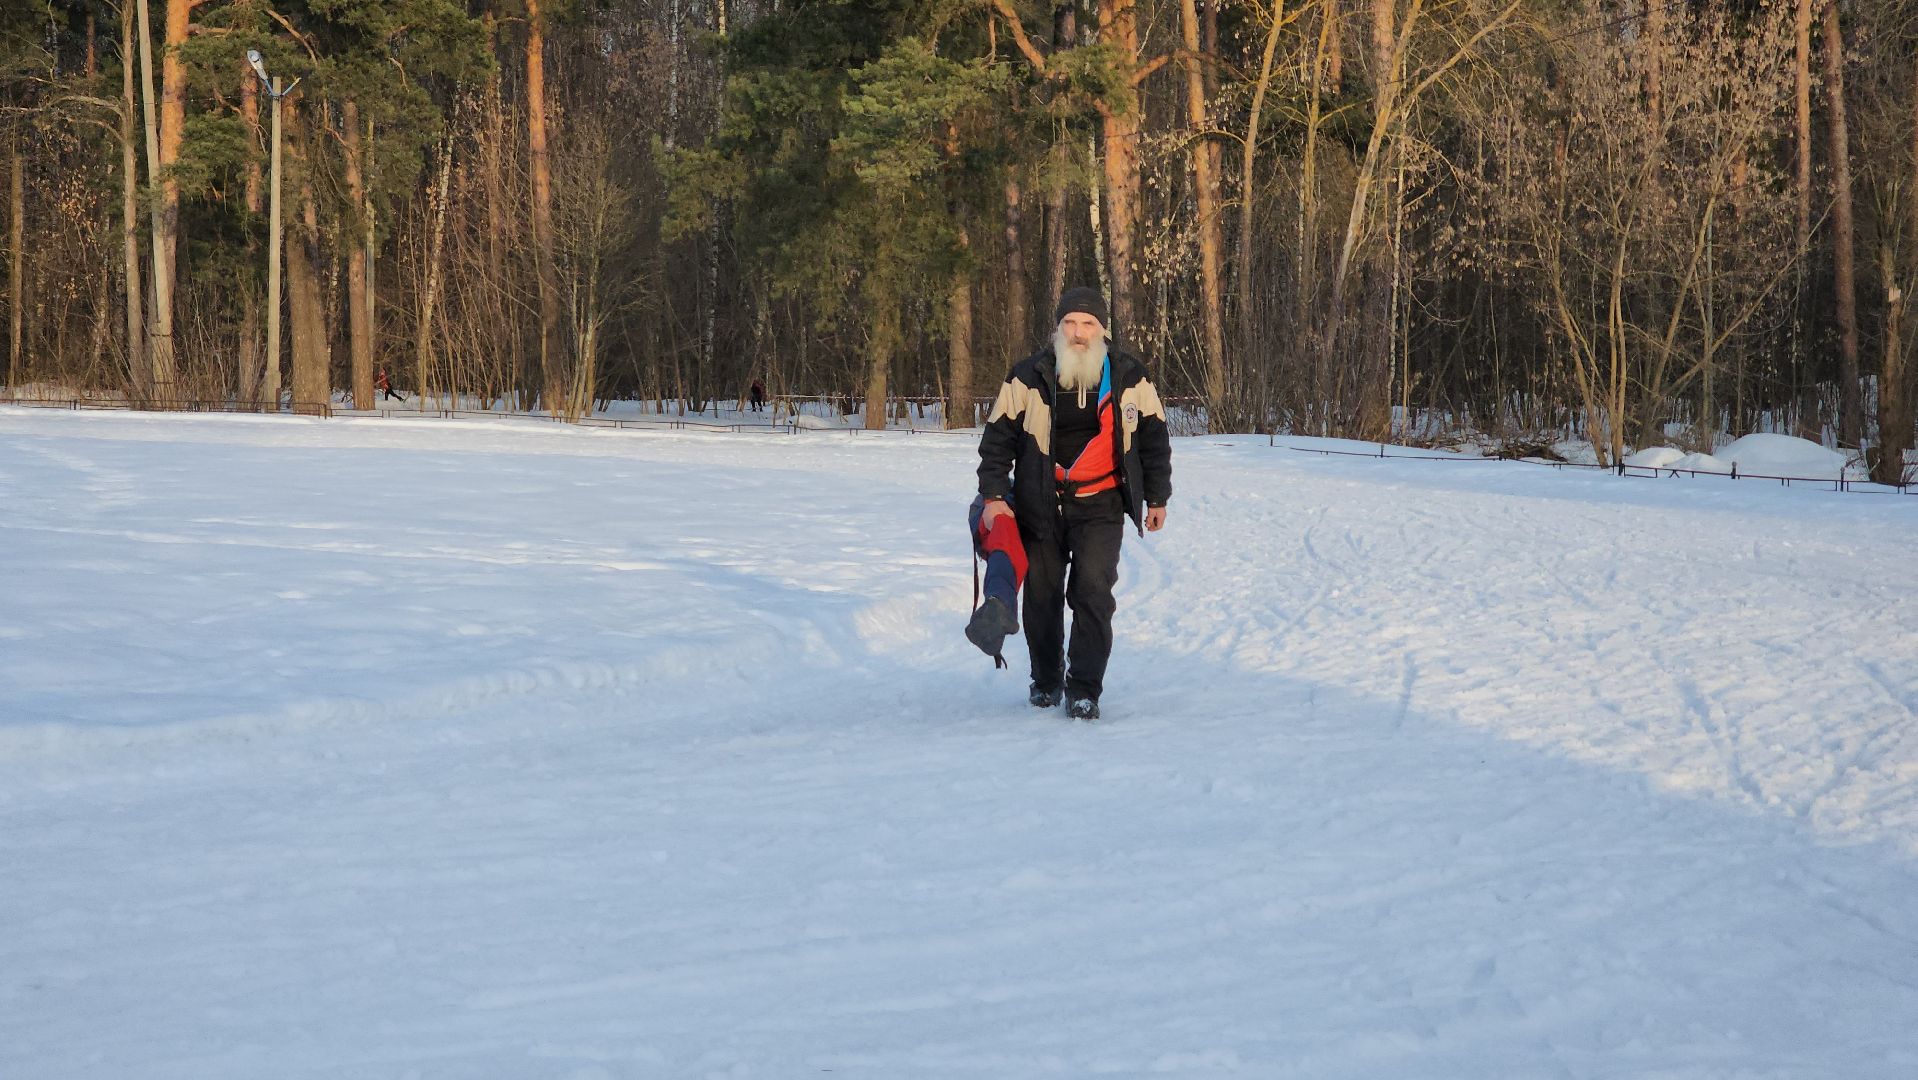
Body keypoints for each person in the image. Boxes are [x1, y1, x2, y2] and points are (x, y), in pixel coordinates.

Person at [976, 286, 1172, 720]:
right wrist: (992, 496)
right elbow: (996, 441)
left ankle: (1084, 689)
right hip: (1039, 503)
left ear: (1102, 330)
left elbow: (1155, 439)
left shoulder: (1130, 377)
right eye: (1070, 323)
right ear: (1058, 327)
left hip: (1100, 504)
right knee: (1041, 598)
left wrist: (1157, 498)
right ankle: (1046, 680)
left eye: (1087, 324)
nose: (1078, 332)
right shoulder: (1027, 376)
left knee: (1092, 593)